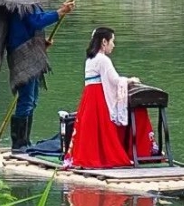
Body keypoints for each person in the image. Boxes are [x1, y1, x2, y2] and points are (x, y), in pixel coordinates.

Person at [0, 0, 75, 151]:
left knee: (32, 99)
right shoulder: (25, 3)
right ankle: (19, 144)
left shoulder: (30, 2)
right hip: (22, 55)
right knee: (26, 99)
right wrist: (60, 12)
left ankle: (25, 142)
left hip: (31, 52)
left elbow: (29, 29)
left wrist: (42, 43)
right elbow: (37, 21)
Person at [64, 26, 157, 170]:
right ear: (104, 42)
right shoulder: (103, 59)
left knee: (92, 128)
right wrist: (129, 80)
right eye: (112, 41)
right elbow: (114, 80)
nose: (114, 45)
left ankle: (90, 156)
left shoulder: (90, 59)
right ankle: (110, 156)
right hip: (98, 96)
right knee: (103, 128)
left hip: (89, 95)